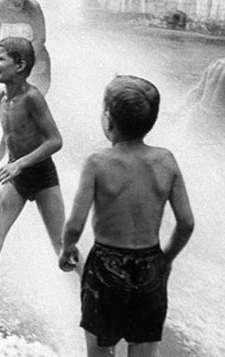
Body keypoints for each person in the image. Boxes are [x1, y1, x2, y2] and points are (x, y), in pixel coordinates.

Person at [59, 76, 194, 357]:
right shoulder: (166, 160)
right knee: (143, 348)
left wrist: (67, 249)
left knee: (99, 351)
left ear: (108, 120)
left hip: (105, 267)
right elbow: (186, 223)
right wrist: (166, 259)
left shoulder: (97, 162)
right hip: (149, 266)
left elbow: (74, 224)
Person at [0, 36, 65, 329]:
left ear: (20, 65)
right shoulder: (0, 97)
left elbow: (55, 141)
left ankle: (99, 307)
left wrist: (18, 164)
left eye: (1, 59)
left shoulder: (33, 97)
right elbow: (9, 135)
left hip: (41, 176)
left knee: (63, 251)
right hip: (16, 177)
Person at [0, 0, 51, 95]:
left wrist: (22, 62)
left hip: (36, 63)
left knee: (32, 101)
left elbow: (40, 38)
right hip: (11, 66)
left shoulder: (33, 7)